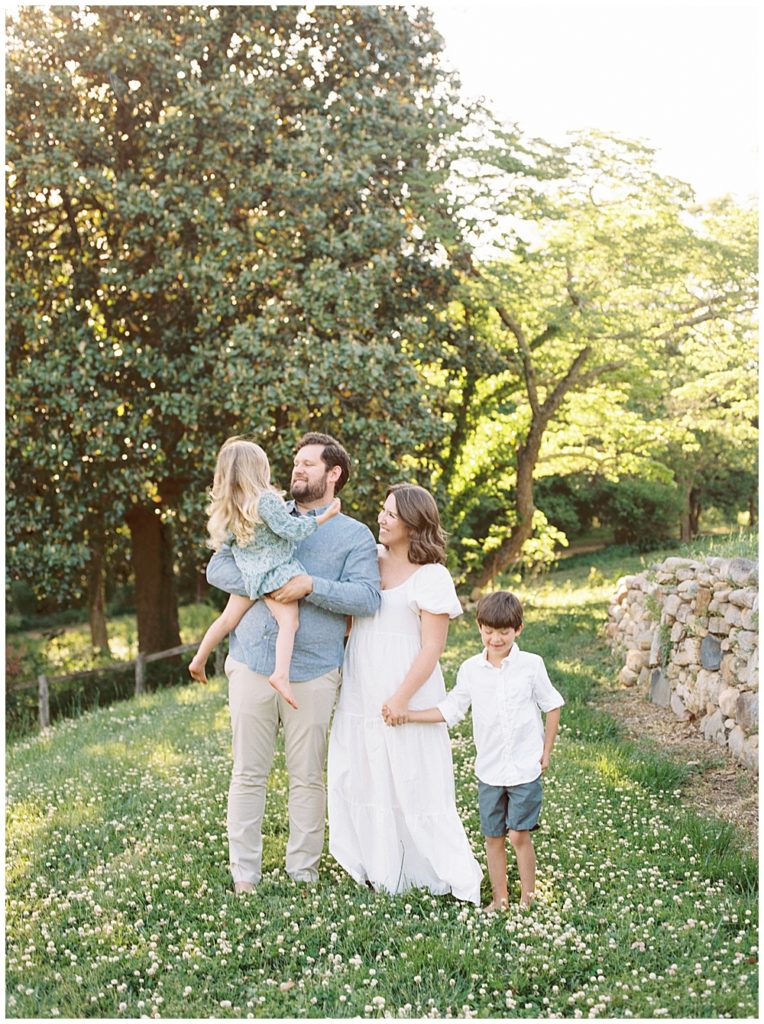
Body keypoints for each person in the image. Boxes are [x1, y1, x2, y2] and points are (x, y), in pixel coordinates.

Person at [206, 432, 381, 893]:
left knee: (306, 778)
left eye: (308, 464)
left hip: (315, 672)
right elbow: (216, 568)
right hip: (249, 664)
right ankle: (245, 875)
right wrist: (265, 583)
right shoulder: (262, 511)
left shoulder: (353, 535)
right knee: (247, 773)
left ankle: (302, 873)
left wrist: (309, 585)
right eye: (295, 463)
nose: (297, 470)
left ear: (333, 473)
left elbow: (367, 597)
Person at [328, 483, 483, 904]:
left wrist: (400, 698)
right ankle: (379, 867)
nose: (381, 518)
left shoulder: (431, 576)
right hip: (362, 685)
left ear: (414, 524)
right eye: (382, 510)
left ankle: (432, 870)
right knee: (366, 772)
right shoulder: (367, 562)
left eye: (391, 514)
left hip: (406, 689)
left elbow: (432, 646)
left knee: (414, 779)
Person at [388, 590, 564, 911]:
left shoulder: (531, 665)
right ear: (479, 627)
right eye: (489, 631)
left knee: (518, 836)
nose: (495, 639)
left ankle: (528, 897)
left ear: (518, 630)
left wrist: (546, 751)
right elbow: (451, 708)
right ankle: (500, 898)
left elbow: (552, 705)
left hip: (524, 768)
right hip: (490, 771)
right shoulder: (470, 670)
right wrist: (409, 715)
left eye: (504, 632)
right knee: (493, 837)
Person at [188, 437, 341, 709]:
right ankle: (281, 674)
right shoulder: (267, 501)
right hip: (277, 573)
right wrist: (324, 518)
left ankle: (199, 659)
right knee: (289, 623)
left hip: (251, 576)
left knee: (227, 619)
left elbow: (232, 546)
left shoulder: (234, 507)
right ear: (258, 469)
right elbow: (290, 530)